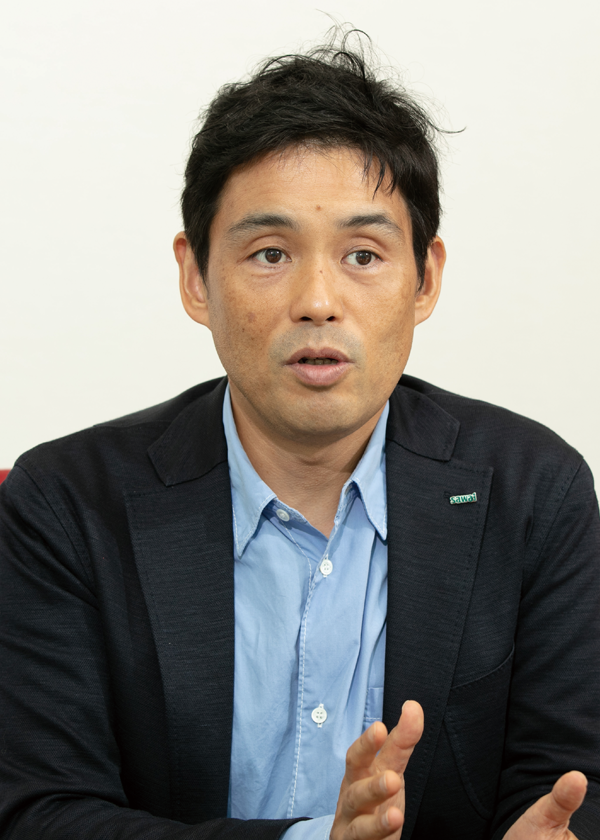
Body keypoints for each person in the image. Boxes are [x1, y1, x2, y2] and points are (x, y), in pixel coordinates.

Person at [1, 33, 599, 840]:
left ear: (424, 279)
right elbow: (40, 814)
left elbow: (569, 783)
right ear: (194, 277)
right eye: (270, 253)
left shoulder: (535, 491)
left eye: (363, 253)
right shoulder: (66, 504)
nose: (318, 301)